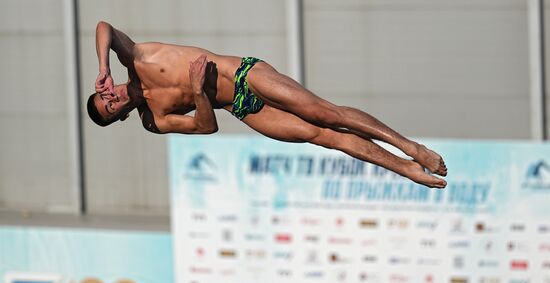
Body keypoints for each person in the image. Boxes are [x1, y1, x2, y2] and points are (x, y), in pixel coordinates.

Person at [88, 21, 447, 188]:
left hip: (245, 74)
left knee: (324, 112)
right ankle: (405, 169)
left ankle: (410, 147)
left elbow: (104, 27)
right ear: (119, 117)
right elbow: (206, 127)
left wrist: (103, 65)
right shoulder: (155, 119)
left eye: (107, 96)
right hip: (240, 107)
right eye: (111, 109)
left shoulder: (137, 58)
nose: (113, 99)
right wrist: (199, 93)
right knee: (322, 136)